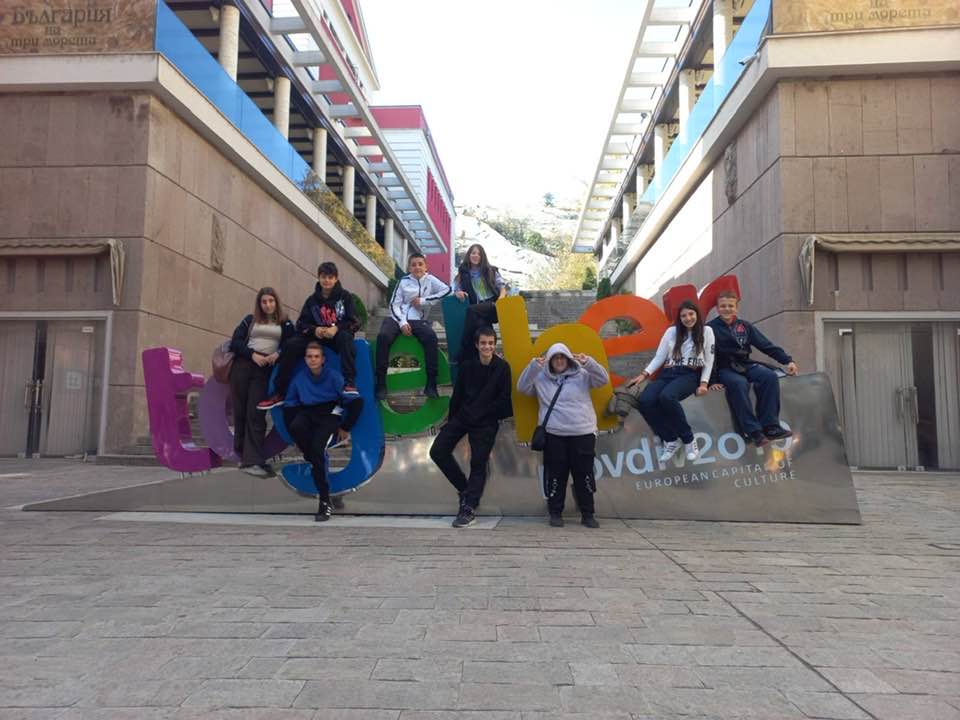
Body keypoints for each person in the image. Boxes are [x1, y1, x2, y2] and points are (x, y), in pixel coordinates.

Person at [517, 343, 609, 529]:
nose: (559, 361)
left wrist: (589, 362)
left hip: (582, 432)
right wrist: (533, 366)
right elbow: (522, 387)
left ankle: (588, 514)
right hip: (554, 434)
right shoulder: (540, 377)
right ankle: (555, 513)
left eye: (562, 357)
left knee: (584, 475)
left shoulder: (582, 374)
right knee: (556, 475)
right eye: (555, 358)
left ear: (568, 359)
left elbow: (603, 380)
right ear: (550, 361)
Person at [429, 325, 512, 528]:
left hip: (486, 422)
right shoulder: (467, 367)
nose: (487, 347)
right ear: (477, 345)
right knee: (437, 451)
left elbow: (504, 400)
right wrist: (451, 421)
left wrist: (485, 413)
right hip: (463, 417)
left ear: (495, 344)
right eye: (483, 343)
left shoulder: (502, 368)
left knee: (478, 463)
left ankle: (468, 508)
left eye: (491, 343)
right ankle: (465, 490)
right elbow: (457, 395)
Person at [258, 262, 361, 410]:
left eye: (330, 277)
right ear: (318, 277)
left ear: (336, 278)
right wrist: (315, 330)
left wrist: (336, 328)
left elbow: (355, 322)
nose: (327, 280)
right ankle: (279, 393)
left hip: (337, 337)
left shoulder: (345, 297)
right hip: (315, 337)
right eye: (323, 277)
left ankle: (349, 384)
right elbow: (301, 324)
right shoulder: (312, 300)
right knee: (291, 344)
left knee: (346, 338)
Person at [707, 289, 798, 447]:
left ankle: (771, 427)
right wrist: (711, 381)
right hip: (723, 368)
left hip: (745, 364)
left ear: (736, 308)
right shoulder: (709, 329)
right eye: (723, 306)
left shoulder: (745, 326)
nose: (727, 309)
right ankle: (754, 432)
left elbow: (766, 345)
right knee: (739, 384)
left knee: (769, 376)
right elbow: (708, 356)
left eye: (730, 306)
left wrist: (788, 361)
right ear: (717, 308)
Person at [628, 300, 715, 464]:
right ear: (679, 318)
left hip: (689, 374)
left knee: (667, 397)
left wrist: (704, 383)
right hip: (668, 373)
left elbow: (709, 360)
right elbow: (660, 356)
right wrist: (644, 374)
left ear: (697, 314)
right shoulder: (671, 332)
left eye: (691, 314)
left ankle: (689, 440)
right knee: (645, 401)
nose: (688, 318)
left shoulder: (707, 331)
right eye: (683, 316)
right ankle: (670, 439)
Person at [285, 342, 363, 522]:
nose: (313, 360)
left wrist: (346, 427)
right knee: (297, 429)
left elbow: (356, 401)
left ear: (323, 359)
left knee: (317, 449)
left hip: (329, 414)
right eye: (309, 356)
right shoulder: (300, 378)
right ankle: (313, 458)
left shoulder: (333, 376)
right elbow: (290, 404)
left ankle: (325, 501)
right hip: (308, 412)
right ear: (305, 359)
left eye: (316, 356)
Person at [228, 287, 295, 476]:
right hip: (243, 366)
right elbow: (235, 342)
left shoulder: (285, 322)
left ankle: (253, 460)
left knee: (256, 413)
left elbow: (292, 343)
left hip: (264, 370)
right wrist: (252, 355)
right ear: (259, 304)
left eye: (271, 301)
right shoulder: (250, 320)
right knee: (240, 412)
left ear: (276, 302)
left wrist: (278, 353)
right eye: (264, 301)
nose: (267, 305)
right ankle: (245, 458)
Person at [375, 253, 451, 400]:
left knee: (431, 337)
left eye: (420, 264)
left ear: (426, 266)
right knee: (383, 336)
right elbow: (394, 305)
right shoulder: (403, 282)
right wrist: (402, 322)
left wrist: (424, 300)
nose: (417, 267)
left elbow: (447, 290)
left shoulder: (430, 279)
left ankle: (431, 384)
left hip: (418, 320)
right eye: (414, 265)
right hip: (397, 318)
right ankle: (381, 383)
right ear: (409, 268)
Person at [452, 244, 507, 363]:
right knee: (481, 328)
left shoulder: (490, 270)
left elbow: (502, 287)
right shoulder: (464, 272)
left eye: (478, 254)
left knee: (471, 310)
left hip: (491, 305)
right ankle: (484, 360)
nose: (476, 256)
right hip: (477, 311)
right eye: (473, 253)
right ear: (469, 255)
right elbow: (455, 287)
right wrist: (457, 292)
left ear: (482, 256)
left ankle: (463, 348)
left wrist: (501, 299)